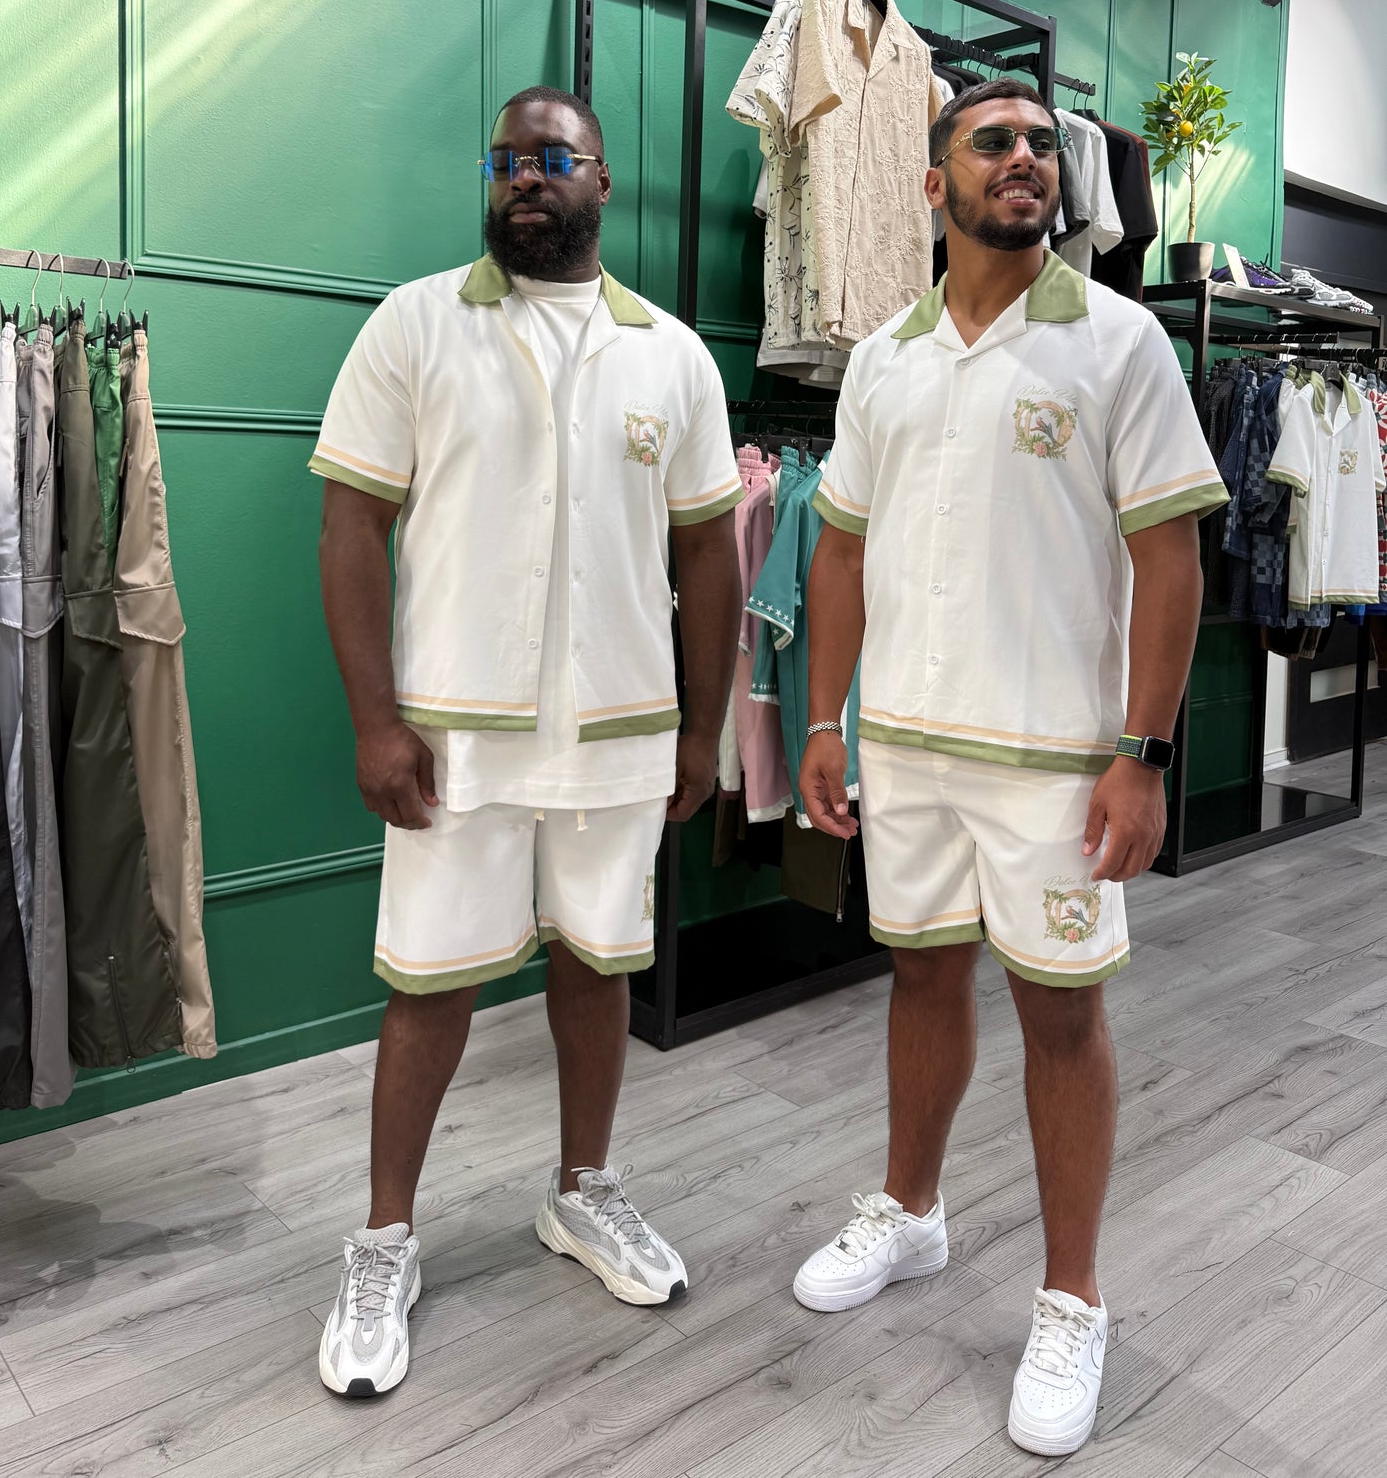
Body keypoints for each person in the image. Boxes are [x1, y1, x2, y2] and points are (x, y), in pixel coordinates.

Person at [793, 79, 1226, 1458]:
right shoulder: (883, 356)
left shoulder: (1119, 339)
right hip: (908, 743)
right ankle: (910, 1211)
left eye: (1041, 142)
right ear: (936, 186)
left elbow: (1170, 558)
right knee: (920, 976)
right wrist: (823, 720)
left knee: (1060, 1015)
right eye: (992, 143)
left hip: (1054, 759)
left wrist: (1142, 753)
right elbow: (840, 551)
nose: (1024, 157)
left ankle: (1071, 1298)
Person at [310, 86, 743, 1397]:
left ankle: (582, 1190)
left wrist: (705, 728)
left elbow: (708, 556)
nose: (524, 178)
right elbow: (349, 529)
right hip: (458, 737)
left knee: (599, 966)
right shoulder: (415, 324)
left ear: (601, 178)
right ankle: (384, 1241)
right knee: (428, 984)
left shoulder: (672, 355)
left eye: (552, 158)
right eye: (505, 160)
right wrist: (375, 719)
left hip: (620, 730)